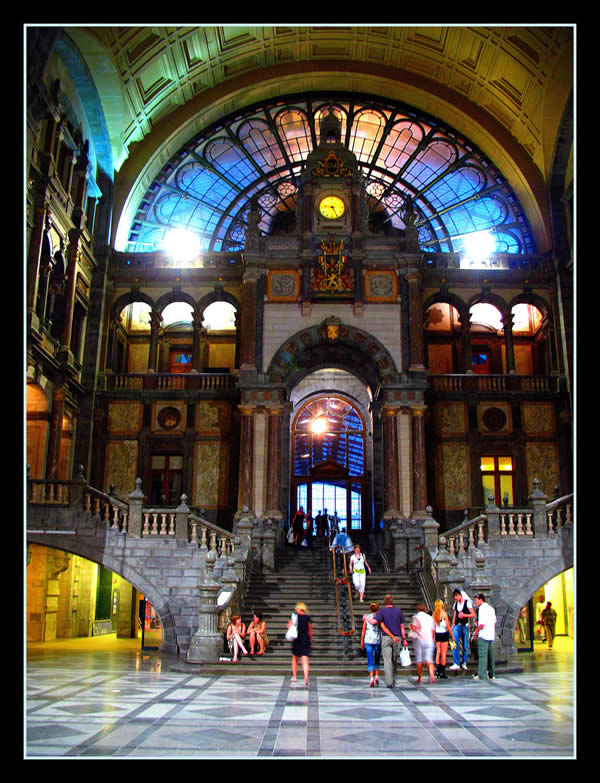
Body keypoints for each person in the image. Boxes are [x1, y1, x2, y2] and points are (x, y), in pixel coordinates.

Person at [374, 594, 408, 688]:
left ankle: (389, 681)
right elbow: (402, 627)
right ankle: (393, 679)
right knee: (394, 660)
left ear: (385, 602)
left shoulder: (382, 611)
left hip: (386, 638)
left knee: (387, 660)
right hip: (397, 638)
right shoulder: (398, 611)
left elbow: (374, 622)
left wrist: (366, 618)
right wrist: (404, 639)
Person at [448, 588, 475, 671]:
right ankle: (456, 662)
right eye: (454, 596)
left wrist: (464, 615)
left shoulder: (467, 603)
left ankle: (464, 662)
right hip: (457, 625)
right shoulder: (456, 605)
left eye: (457, 596)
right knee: (453, 643)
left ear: (460, 595)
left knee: (465, 645)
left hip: (464, 625)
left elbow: (473, 614)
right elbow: (455, 615)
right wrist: (452, 625)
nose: (456, 598)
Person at [472, 593, 497, 680]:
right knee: (491, 656)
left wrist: (476, 631)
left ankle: (482, 674)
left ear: (480, 599)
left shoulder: (482, 609)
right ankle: (492, 674)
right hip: (490, 634)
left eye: (476, 600)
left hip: (483, 635)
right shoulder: (491, 609)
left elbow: (481, 624)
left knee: (483, 656)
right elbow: (494, 621)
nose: (475, 602)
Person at [409, 603, 436, 684]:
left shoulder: (416, 617)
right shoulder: (430, 618)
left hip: (419, 639)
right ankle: (432, 675)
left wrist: (410, 626)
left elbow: (414, 628)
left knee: (419, 659)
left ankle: (420, 677)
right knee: (429, 659)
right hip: (429, 640)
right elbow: (433, 630)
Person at [288, 602, 312, 685]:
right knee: (305, 659)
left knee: (295, 658)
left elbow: (289, 626)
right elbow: (310, 630)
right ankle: (306, 677)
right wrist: (310, 640)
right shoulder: (307, 617)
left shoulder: (294, 616)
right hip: (305, 638)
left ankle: (294, 676)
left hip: (296, 638)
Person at [360, 601, 381, 687]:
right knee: (377, 657)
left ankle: (371, 678)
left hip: (368, 639)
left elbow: (364, 630)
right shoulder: (379, 617)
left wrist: (361, 641)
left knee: (370, 658)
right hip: (376, 639)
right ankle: (377, 676)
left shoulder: (366, 617)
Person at [433, 599, 453, 679]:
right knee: (443, 653)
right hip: (444, 633)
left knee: (438, 652)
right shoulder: (444, 614)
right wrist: (452, 635)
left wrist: (434, 636)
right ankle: (442, 672)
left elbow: (433, 627)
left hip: (437, 634)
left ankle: (437, 671)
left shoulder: (434, 614)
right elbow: (448, 626)